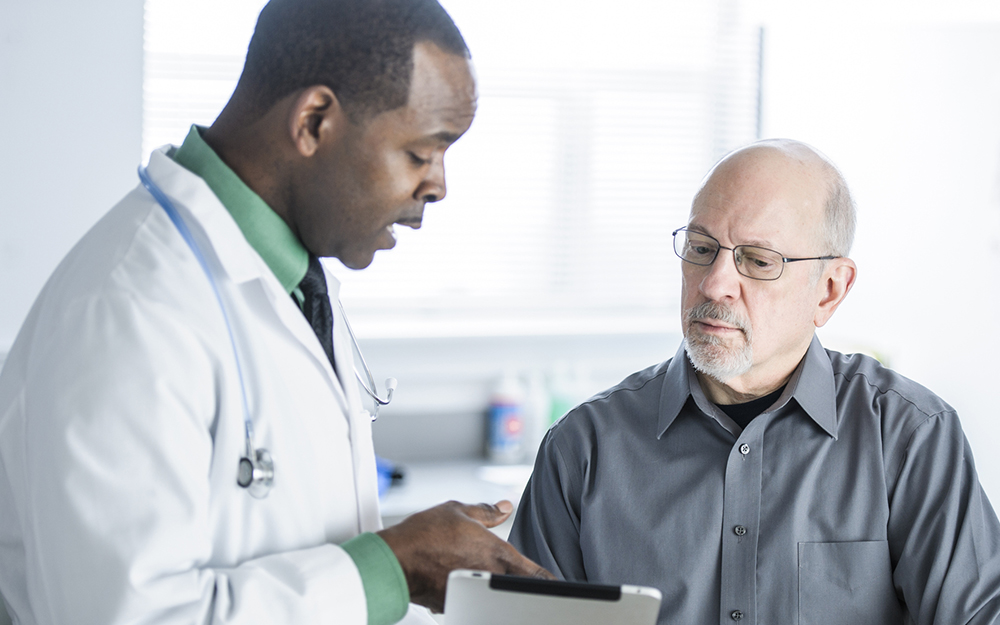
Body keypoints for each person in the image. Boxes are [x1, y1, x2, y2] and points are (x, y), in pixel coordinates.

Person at [0, 1, 550, 624]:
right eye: (421, 153)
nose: (439, 186)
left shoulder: (293, 282)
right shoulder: (127, 309)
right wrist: (391, 567)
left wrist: (405, 554)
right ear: (314, 121)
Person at [509, 139, 1000, 624]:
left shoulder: (909, 437)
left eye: (759, 260)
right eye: (702, 249)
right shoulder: (583, 447)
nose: (714, 282)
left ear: (829, 291)